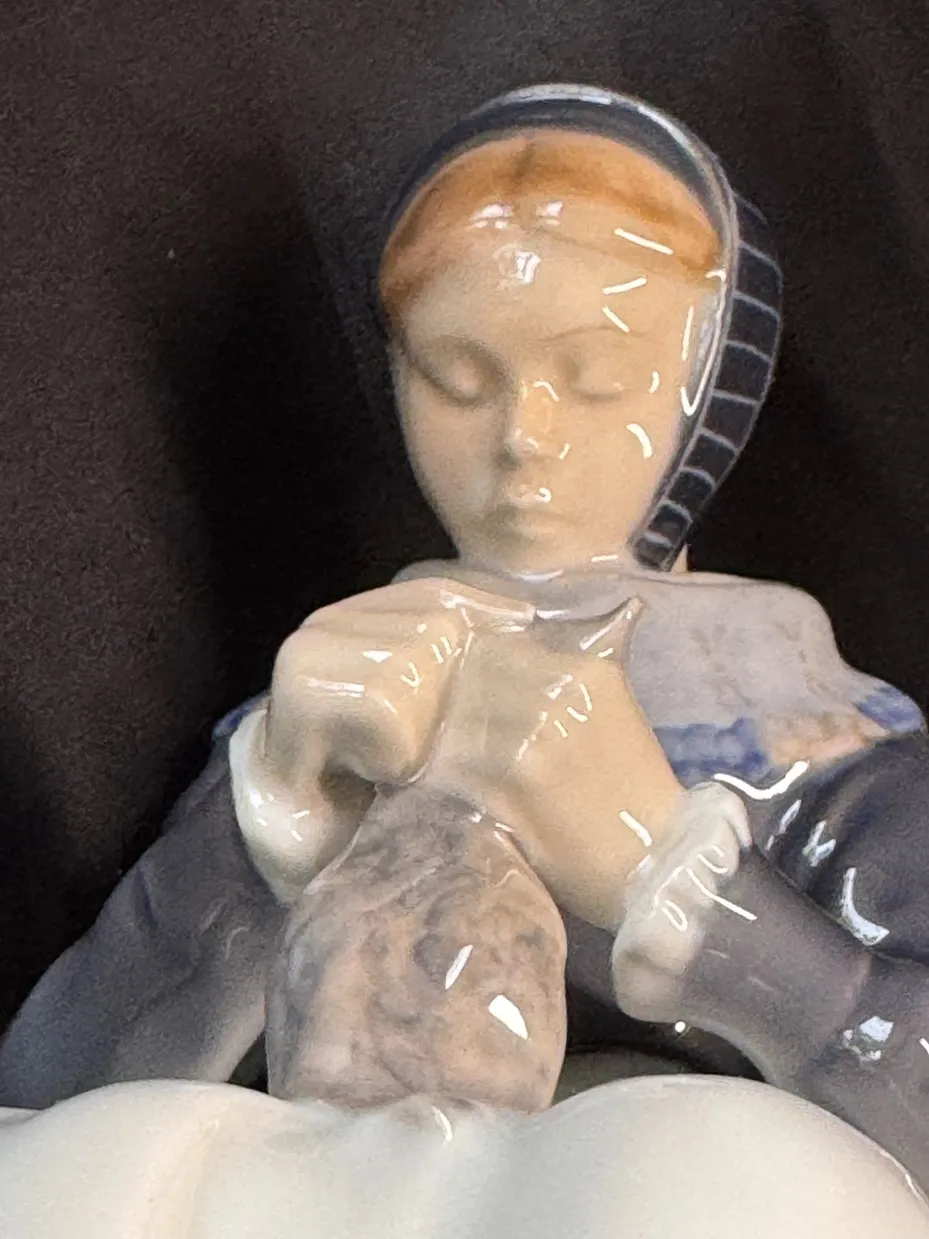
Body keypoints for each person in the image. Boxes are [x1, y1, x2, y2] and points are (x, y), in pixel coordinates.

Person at [2, 84, 928, 1185]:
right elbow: (43, 1109)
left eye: (597, 379)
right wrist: (258, 848)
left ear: (708, 392)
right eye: (456, 376)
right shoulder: (331, 721)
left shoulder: (816, 753)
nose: (523, 437)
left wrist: (674, 888)